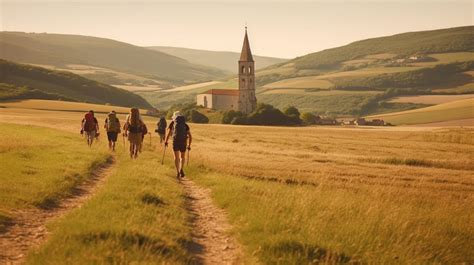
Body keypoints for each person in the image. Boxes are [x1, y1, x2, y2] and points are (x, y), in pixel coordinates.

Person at [165, 111, 192, 179]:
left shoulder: (173, 123)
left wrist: (166, 141)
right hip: (183, 142)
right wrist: (189, 145)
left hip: (175, 141)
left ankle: (177, 171)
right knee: (182, 156)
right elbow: (190, 136)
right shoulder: (185, 125)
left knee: (176, 157)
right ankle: (181, 169)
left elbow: (168, 133)